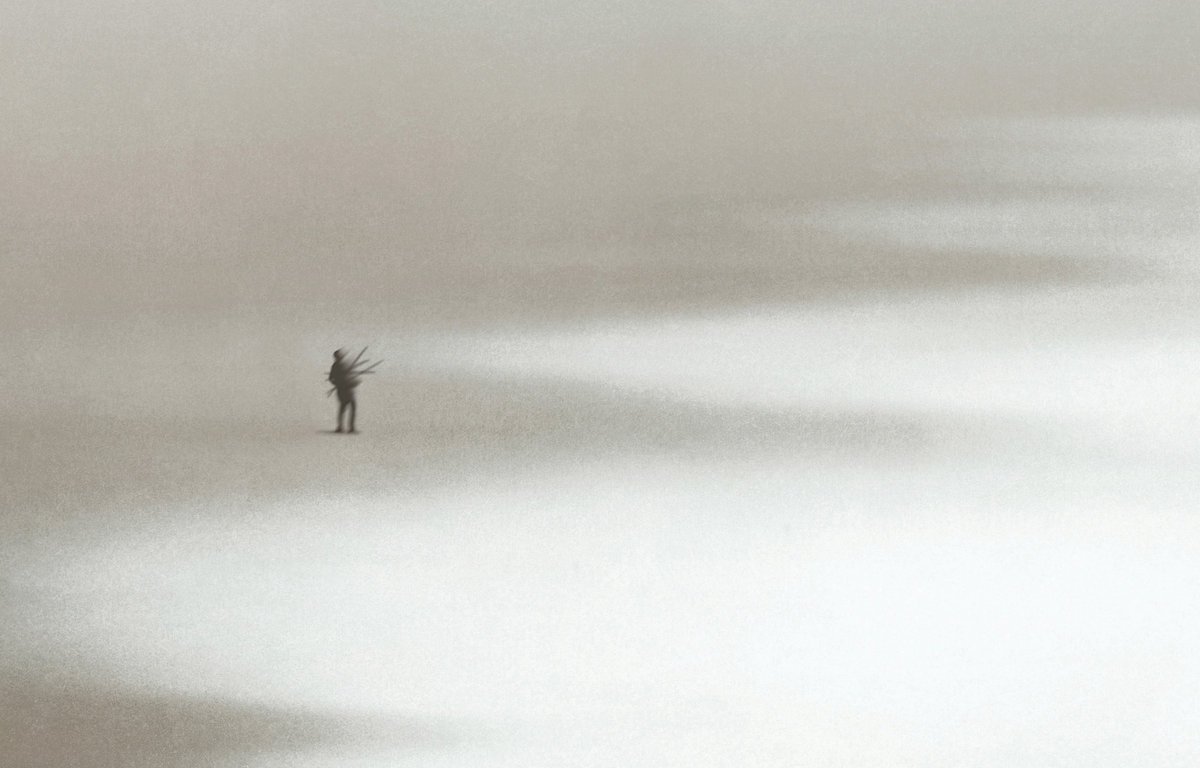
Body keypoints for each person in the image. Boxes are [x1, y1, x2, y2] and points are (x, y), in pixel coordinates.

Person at [328, 349, 360, 433]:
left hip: (349, 389)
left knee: (351, 408)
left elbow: (353, 375)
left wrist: (355, 381)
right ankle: (341, 427)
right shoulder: (335, 366)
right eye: (339, 356)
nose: (340, 357)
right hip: (343, 390)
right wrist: (339, 384)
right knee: (343, 408)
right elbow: (331, 378)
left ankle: (350, 427)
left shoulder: (346, 364)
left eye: (341, 355)